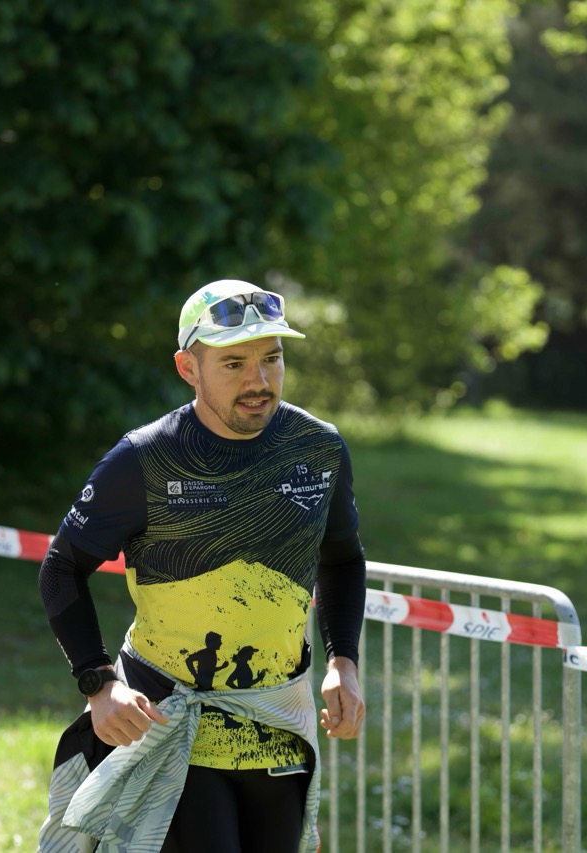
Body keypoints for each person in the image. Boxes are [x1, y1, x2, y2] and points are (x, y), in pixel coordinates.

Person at [36, 279, 368, 853]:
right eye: (233, 364)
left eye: (271, 359)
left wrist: (344, 661)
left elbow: (341, 559)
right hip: (170, 727)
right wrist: (98, 683)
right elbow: (62, 568)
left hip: (278, 723)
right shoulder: (143, 458)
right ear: (188, 368)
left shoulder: (319, 447)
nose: (258, 381)